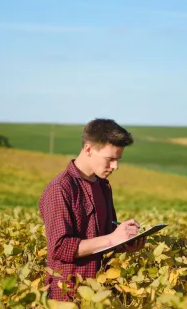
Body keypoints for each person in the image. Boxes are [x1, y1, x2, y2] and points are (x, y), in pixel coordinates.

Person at [38, 118, 147, 301]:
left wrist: (124, 241)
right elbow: (60, 248)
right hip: (68, 295)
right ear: (88, 149)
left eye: (118, 159)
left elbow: (102, 239)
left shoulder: (104, 186)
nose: (115, 166)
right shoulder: (61, 188)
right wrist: (112, 238)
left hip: (101, 294)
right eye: (110, 159)